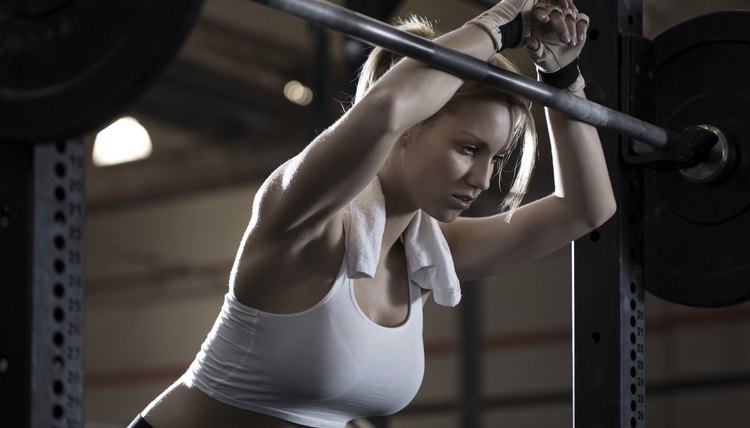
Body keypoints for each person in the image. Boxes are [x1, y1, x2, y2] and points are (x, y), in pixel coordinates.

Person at [128, 0, 615, 426]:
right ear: (411, 128)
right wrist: (499, 25)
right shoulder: (306, 222)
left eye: (495, 158)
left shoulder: (428, 259)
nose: (483, 181)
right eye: (468, 149)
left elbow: (586, 209)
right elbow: (385, 108)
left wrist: (563, 81)